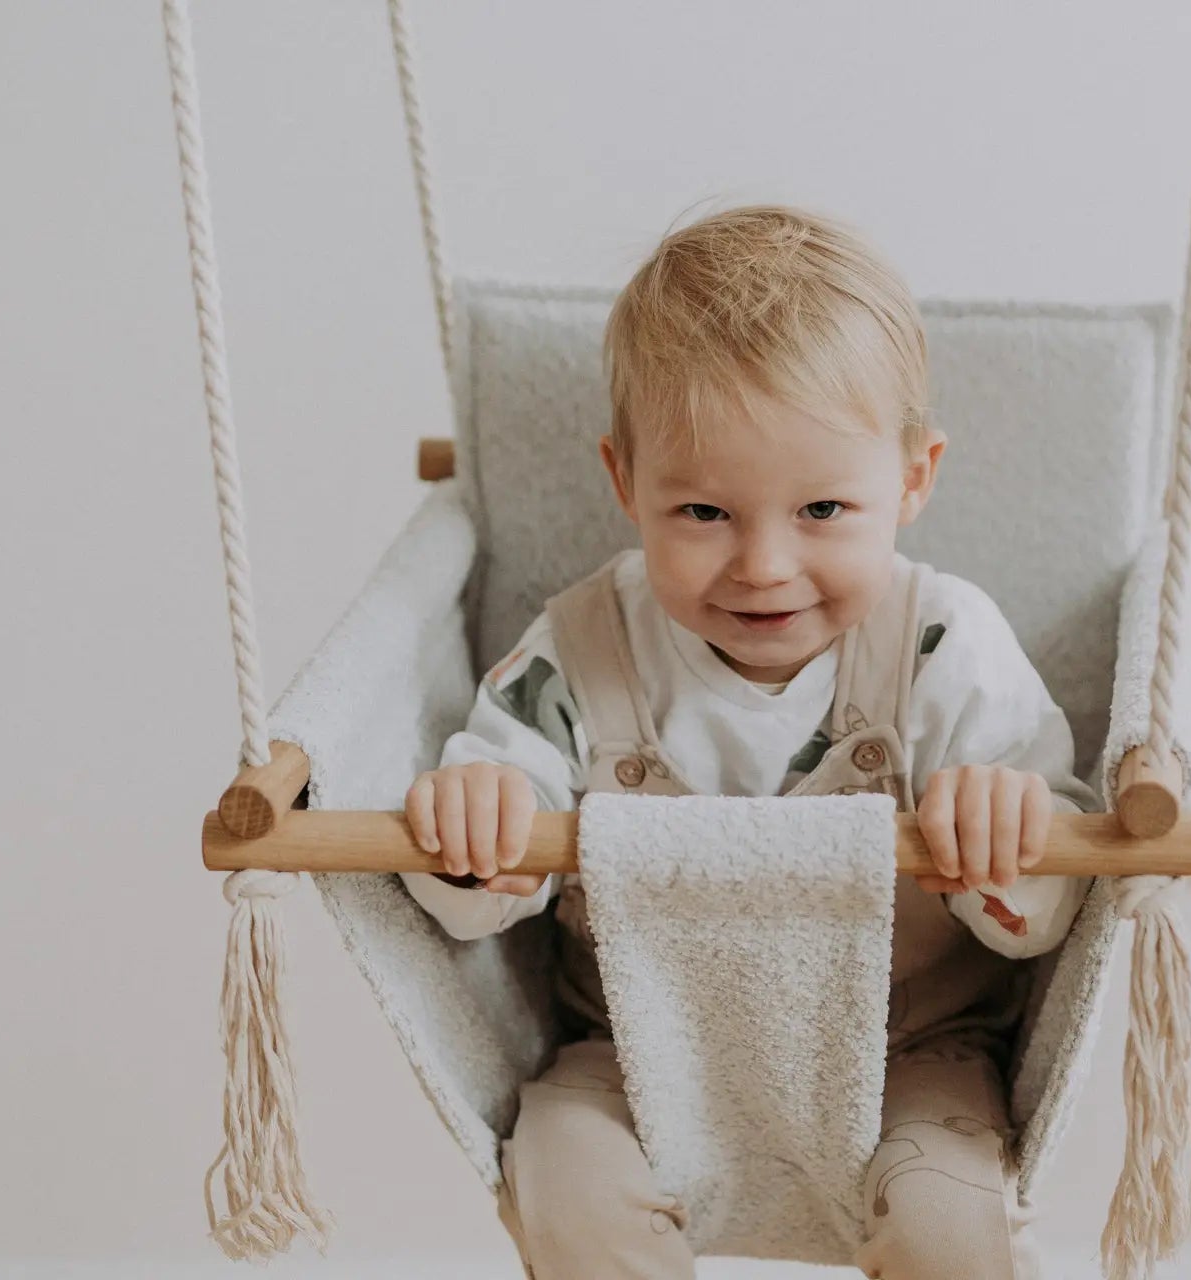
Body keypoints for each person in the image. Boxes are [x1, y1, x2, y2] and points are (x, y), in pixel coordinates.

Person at [401, 204, 1098, 1279]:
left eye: (822, 506)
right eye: (703, 513)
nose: (764, 564)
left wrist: (1011, 836)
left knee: (951, 1227)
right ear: (625, 480)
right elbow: (469, 892)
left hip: (906, 1050)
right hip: (634, 1046)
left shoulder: (943, 643)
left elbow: (1037, 919)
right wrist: (474, 825)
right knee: (562, 1184)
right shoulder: (577, 650)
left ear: (914, 478)